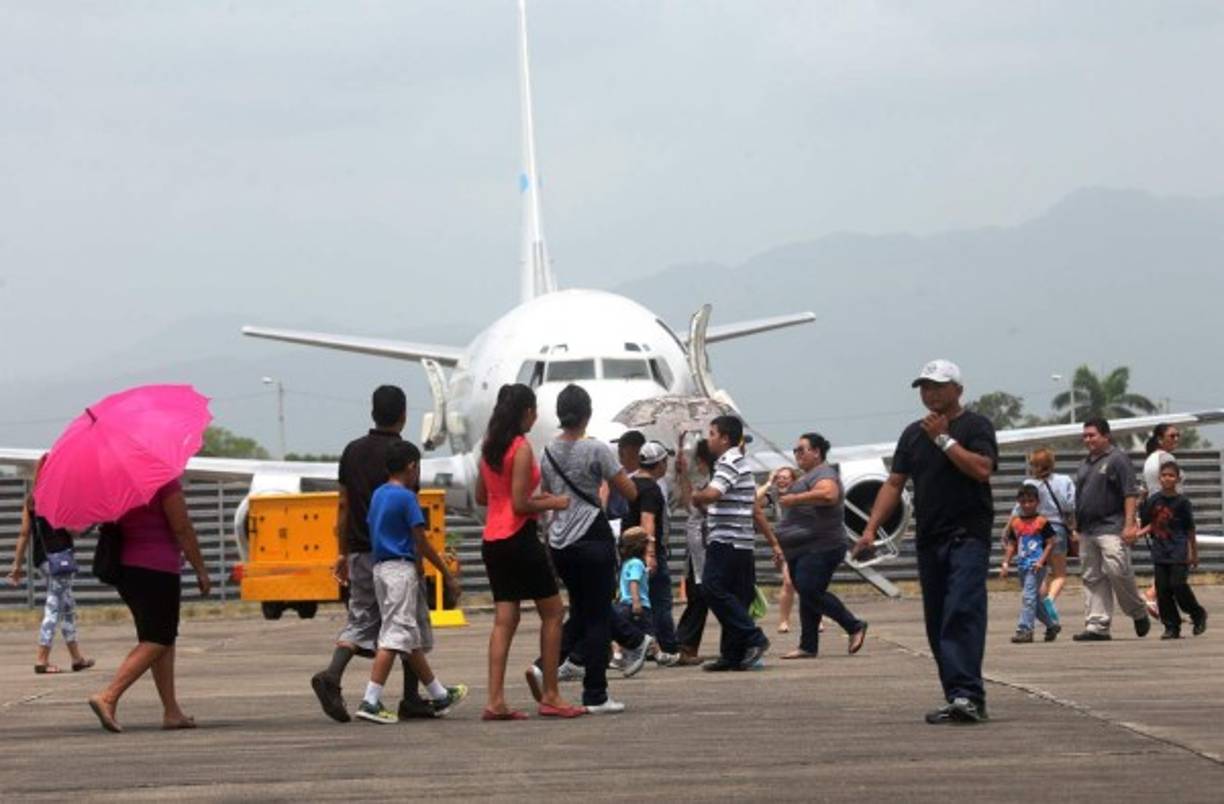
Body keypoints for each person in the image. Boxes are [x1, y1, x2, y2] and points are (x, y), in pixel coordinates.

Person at [853, 359, 997, 725]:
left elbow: (982, 469)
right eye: (924, 387)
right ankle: (957, 695)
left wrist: (945, 440)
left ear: (958, 390)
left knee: (961, 610)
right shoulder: (912, 435)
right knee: (937, 620)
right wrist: (870, 529)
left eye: (937, 386)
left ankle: (969, 695)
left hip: (967, 536)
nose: (930, 393)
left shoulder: (976, 426)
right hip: (930, 539)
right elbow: (894, 484)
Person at [312, 385, 433, 723]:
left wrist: (342, 553)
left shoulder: (351, 452)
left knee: (361, 620)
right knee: (407, 622)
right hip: (396, 556)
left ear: (372, 412)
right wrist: (420, 562)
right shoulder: (403, 455)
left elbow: (343, 505)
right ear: (404, 415)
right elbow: (411, 515)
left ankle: (332, 675)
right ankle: (411, 697)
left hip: (359, 552)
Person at [530, 384, 642, 714]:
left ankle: (544, 666)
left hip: (560, 543)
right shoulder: (596, 449)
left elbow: (546, 493)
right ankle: (595, 693)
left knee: (582, 610)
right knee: (597, 617)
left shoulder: (547, 452)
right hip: (593, 536)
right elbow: (630, 492)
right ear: (587, 414)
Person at [476, 383, 585, 720]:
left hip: (493, 540)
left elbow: (482, 496)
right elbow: (521, 504)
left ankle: (495, 700)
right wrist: (554, 502)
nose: (536, 417)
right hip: (519, 537)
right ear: (525, 412)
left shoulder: (489, 448)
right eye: (534, 411)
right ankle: (551, 694)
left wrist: (513, 498)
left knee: (504, 620)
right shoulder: (520, 448)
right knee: (553, 612)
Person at [87, 477, 211, 733]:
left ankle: (172, 711)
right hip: (156, 569)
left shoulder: (118, 482)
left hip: (127, 569)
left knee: (161, 638)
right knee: (158, 639)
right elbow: (182, 527)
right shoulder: (163, 480)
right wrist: (200, 568)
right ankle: (108, 697)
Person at [355, 442, 467, 723]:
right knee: (395, 636)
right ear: (411, 466)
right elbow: (422, 542)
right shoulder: (406, 498)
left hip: (380, 569)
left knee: (408, 637)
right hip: (399, 571)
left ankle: (439, 694)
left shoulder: (379, 494)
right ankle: (370, 700)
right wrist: (446, 575)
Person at [690, 416, 785, 672]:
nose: (708, 439)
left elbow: (713, 494)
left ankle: (754, 637)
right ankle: (732, 655)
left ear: (725, 438)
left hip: (727, 540)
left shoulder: (729, 462)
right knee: (736, 597)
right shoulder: (737, 462)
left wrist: (697, 496)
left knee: (712, 588)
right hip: (740, 541)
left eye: (712, 434)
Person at [774, 433, 868, 660]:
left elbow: (829, 494)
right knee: (808, 594)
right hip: (802, 548)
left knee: (809, 589)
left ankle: (854, 625)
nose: (797, 454)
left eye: (801, 449)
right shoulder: (807, 477)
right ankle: (808, 646)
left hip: (821, 545)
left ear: (816, 452)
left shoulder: (824, 473)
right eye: (795, 450)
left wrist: (795, 499)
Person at [7, 456, 94, 675]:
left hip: (43, 560)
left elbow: (24, 534)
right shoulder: (59, 497)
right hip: (60, 558)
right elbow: (73, 530)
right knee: (54, 606)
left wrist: (17, 565)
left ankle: (76, 658)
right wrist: (92, 523)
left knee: (67, 606)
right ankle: (42, 659)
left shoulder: (31, 500)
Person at [1071, 418, 1152, 642]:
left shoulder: (1118, 459)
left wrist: (1129, 525)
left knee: (1117, 569)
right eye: (1085, 436)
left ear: (1106, 436)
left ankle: (1137, 611)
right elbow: (1080, 497)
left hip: (1112, 526)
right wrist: (1076, 527)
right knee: (1092, 576)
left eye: (1092, 435)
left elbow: (1130, 493)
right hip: (1088, 529)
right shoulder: (1084, 464)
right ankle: (1097, 625)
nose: (1087, 440)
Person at [623, 441, 681, 666]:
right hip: (645, 553)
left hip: (628, 552)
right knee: (660, 601)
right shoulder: (651, 489)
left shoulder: (630, 483)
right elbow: (647, 520)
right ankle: (667, 647)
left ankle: (640, 646)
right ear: (660, 463)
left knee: (634, 600)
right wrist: (651, 553)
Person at [1006, 448, 1075, 629]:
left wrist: (1007, 529)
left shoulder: (1028, 483)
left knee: (1039, 574)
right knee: (1059, 574)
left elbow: (1017, 510)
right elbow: (1070, 505)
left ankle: (1042, 602)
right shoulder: (1064, 480)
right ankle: (1050, 600)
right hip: (1056, 528)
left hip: (1033, 531)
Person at [1138, 462, 1207, 639]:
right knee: (1162, 590)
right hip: (1160, 549)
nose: (1167, 478)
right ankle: (1171, 626)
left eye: (1171, 475)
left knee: (1178, 584)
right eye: (1164, 475)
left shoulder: (1182, 502)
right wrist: (1141, 501)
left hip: (1178, 549)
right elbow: (1146, 521)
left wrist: (1193, 553)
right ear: (1159, 478)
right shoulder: (1154, 500)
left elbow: (1190, 529)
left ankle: (1197, 613)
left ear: (1177, 479)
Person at [999, 485, 1060, 643]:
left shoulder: (1042, 522)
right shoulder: (1016, 523)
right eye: (1023, 501)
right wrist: (1006, 563)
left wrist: (1041, 561)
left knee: (1028, 597)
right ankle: (1051, 625)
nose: (1027, 505)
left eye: (1031, 501)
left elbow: (1051, 542)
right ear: (1018, 502)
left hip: (1036, 566)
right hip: (1022, 565)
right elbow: (1012, 545)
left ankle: (1025, 629)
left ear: (1037, 502)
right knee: (1033, 599)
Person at [674, 438, 714, 665]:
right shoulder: (703, 481)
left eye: (697, 459)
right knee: (696, 595)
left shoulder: (715, 482)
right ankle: (685, 644)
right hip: (696, 548)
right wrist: (683, 475)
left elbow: (704, 507)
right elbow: (687, 502)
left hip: (707, 547)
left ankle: (685, 643)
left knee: (701, 596)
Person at [1140, 424, 1181, 617]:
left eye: (1177, 435)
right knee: (1176, 560)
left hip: (1155, 512)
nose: (1176, 439)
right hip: (1169, 515)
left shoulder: (1150, 459)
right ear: (1160, 439)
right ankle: (1152, 594)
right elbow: (1173, 487)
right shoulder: (1167, 459)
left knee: (1166, 559)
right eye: (1172, 436)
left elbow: (1144, 490)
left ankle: (1163, 603)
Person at [609, 527, 656, 678]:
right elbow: (633, 582)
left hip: (623, 604)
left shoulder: (627, 563)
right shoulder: (637, 563)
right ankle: (657, 655)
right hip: (637, 605)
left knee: (624, 631)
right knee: (646, 633)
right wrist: (636, 602)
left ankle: (622, 657)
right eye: (647, 543)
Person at [758, 468, 798, 634]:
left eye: (785, 478)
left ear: (793, 480)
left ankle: (816, 620)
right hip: (785, 544)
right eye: (779, 478)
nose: (781, 481)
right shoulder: (774, 496)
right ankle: (784, 621)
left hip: (805, 543)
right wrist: (769, 482)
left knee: (808, 583)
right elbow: (755, 501)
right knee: (788, 582)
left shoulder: (801, 495)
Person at [607, 430, 646, 535]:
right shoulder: (612, 476)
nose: (619, 451)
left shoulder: (645, 478)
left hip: (633, 530)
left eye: (622, 447)